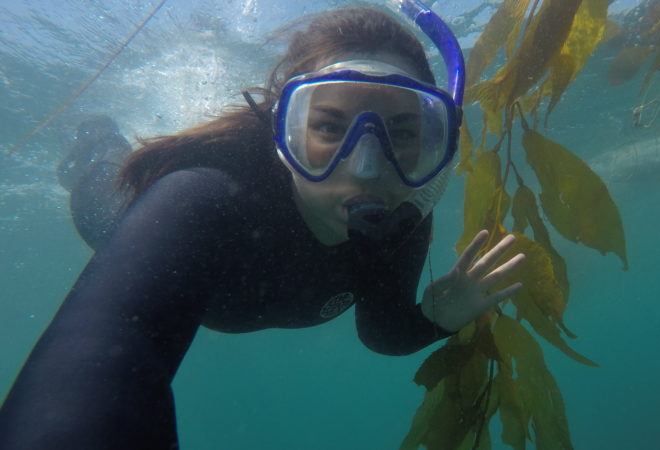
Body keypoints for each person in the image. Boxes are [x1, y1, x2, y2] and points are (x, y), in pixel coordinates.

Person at [0, 3, 525, 449]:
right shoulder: (200, 200)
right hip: (117, 208)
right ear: (283, 132)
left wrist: (436, 316)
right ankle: (98, 141)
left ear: (439, 142)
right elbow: (96, 361)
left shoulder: (403, 221)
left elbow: (383, 331)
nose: (367, 168)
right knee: (105, 176)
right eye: (327, 126)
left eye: (404, 131)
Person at [57, 115, 132, 250]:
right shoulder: (98, 157)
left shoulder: (112, 149)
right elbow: (69, 182)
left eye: (82, 134)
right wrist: (71, 157)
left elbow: (71, 182)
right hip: (111, 240)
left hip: (118, 238)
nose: (78, 140)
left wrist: (71, 157)